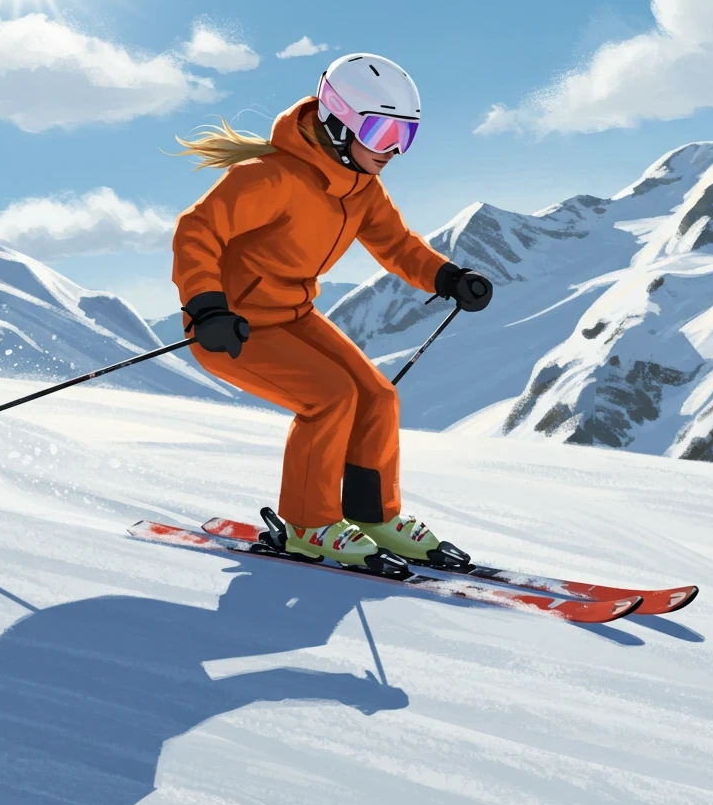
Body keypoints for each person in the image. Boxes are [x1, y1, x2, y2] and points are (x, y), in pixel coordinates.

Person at [171, 53, 492, 570]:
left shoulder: (361, 187)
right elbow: (196, 231)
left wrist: (448, 277)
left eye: (404, 135)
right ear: (336, 121)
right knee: (330, 397)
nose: (392, 150)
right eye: (381, 131)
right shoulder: (270, 178)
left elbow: (397, 245)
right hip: (231, 325)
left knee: (377, 397)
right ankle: (308, 525)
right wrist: (206, 306)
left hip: (293, 316)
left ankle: (373, 516)